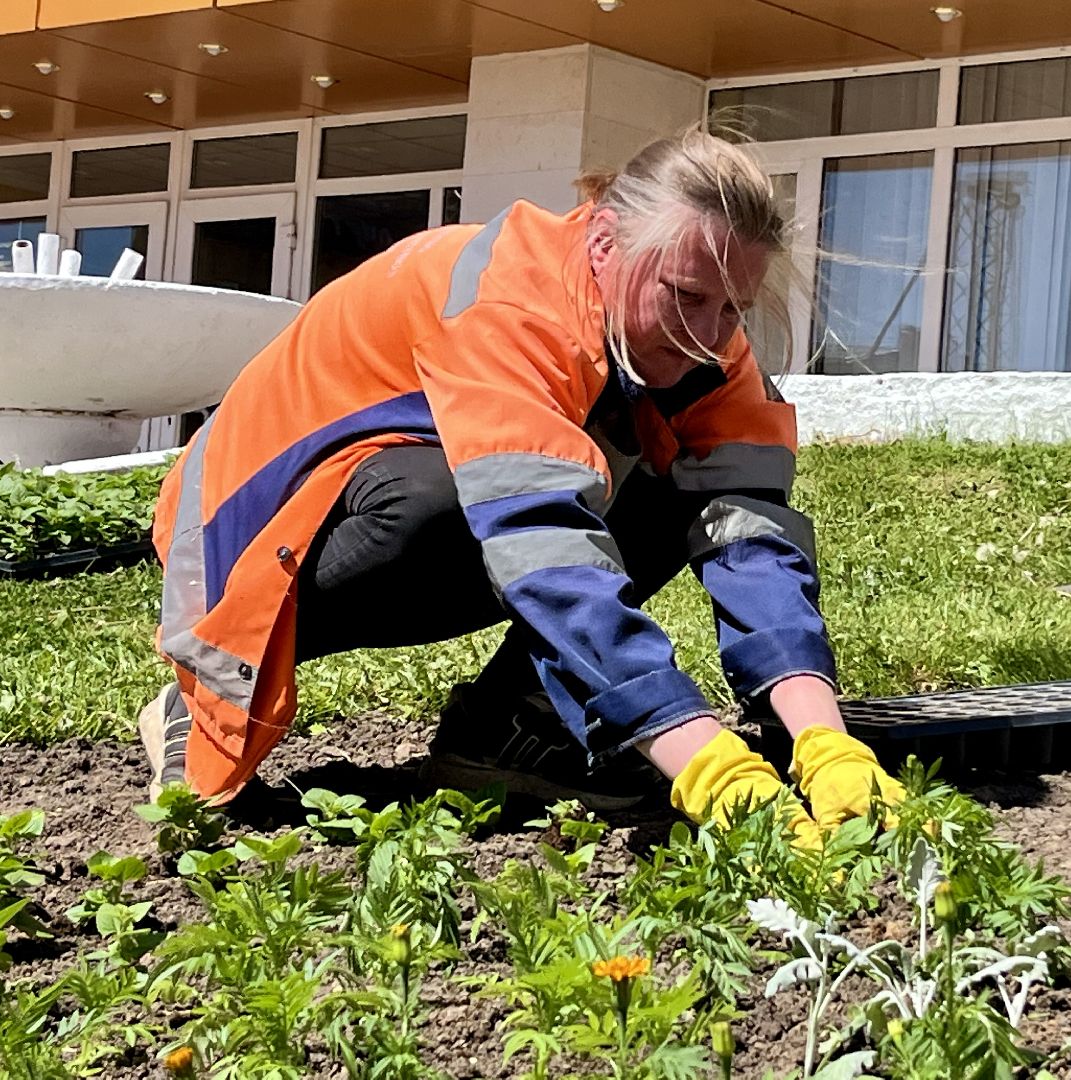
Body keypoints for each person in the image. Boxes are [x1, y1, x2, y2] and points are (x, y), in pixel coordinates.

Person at [138, 125, 904, 845]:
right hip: (237, 534)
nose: (707, 336)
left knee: (672, 488)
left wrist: (824, 738)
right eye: (685, 296)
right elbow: (542, 544)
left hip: (407, 483)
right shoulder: (512, 303)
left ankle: (508, 728)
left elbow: (749, 534)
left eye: (732, 307)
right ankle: (202, 684)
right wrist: (699, 755)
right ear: (603, 241)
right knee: (442, 506)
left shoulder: (708, 348)